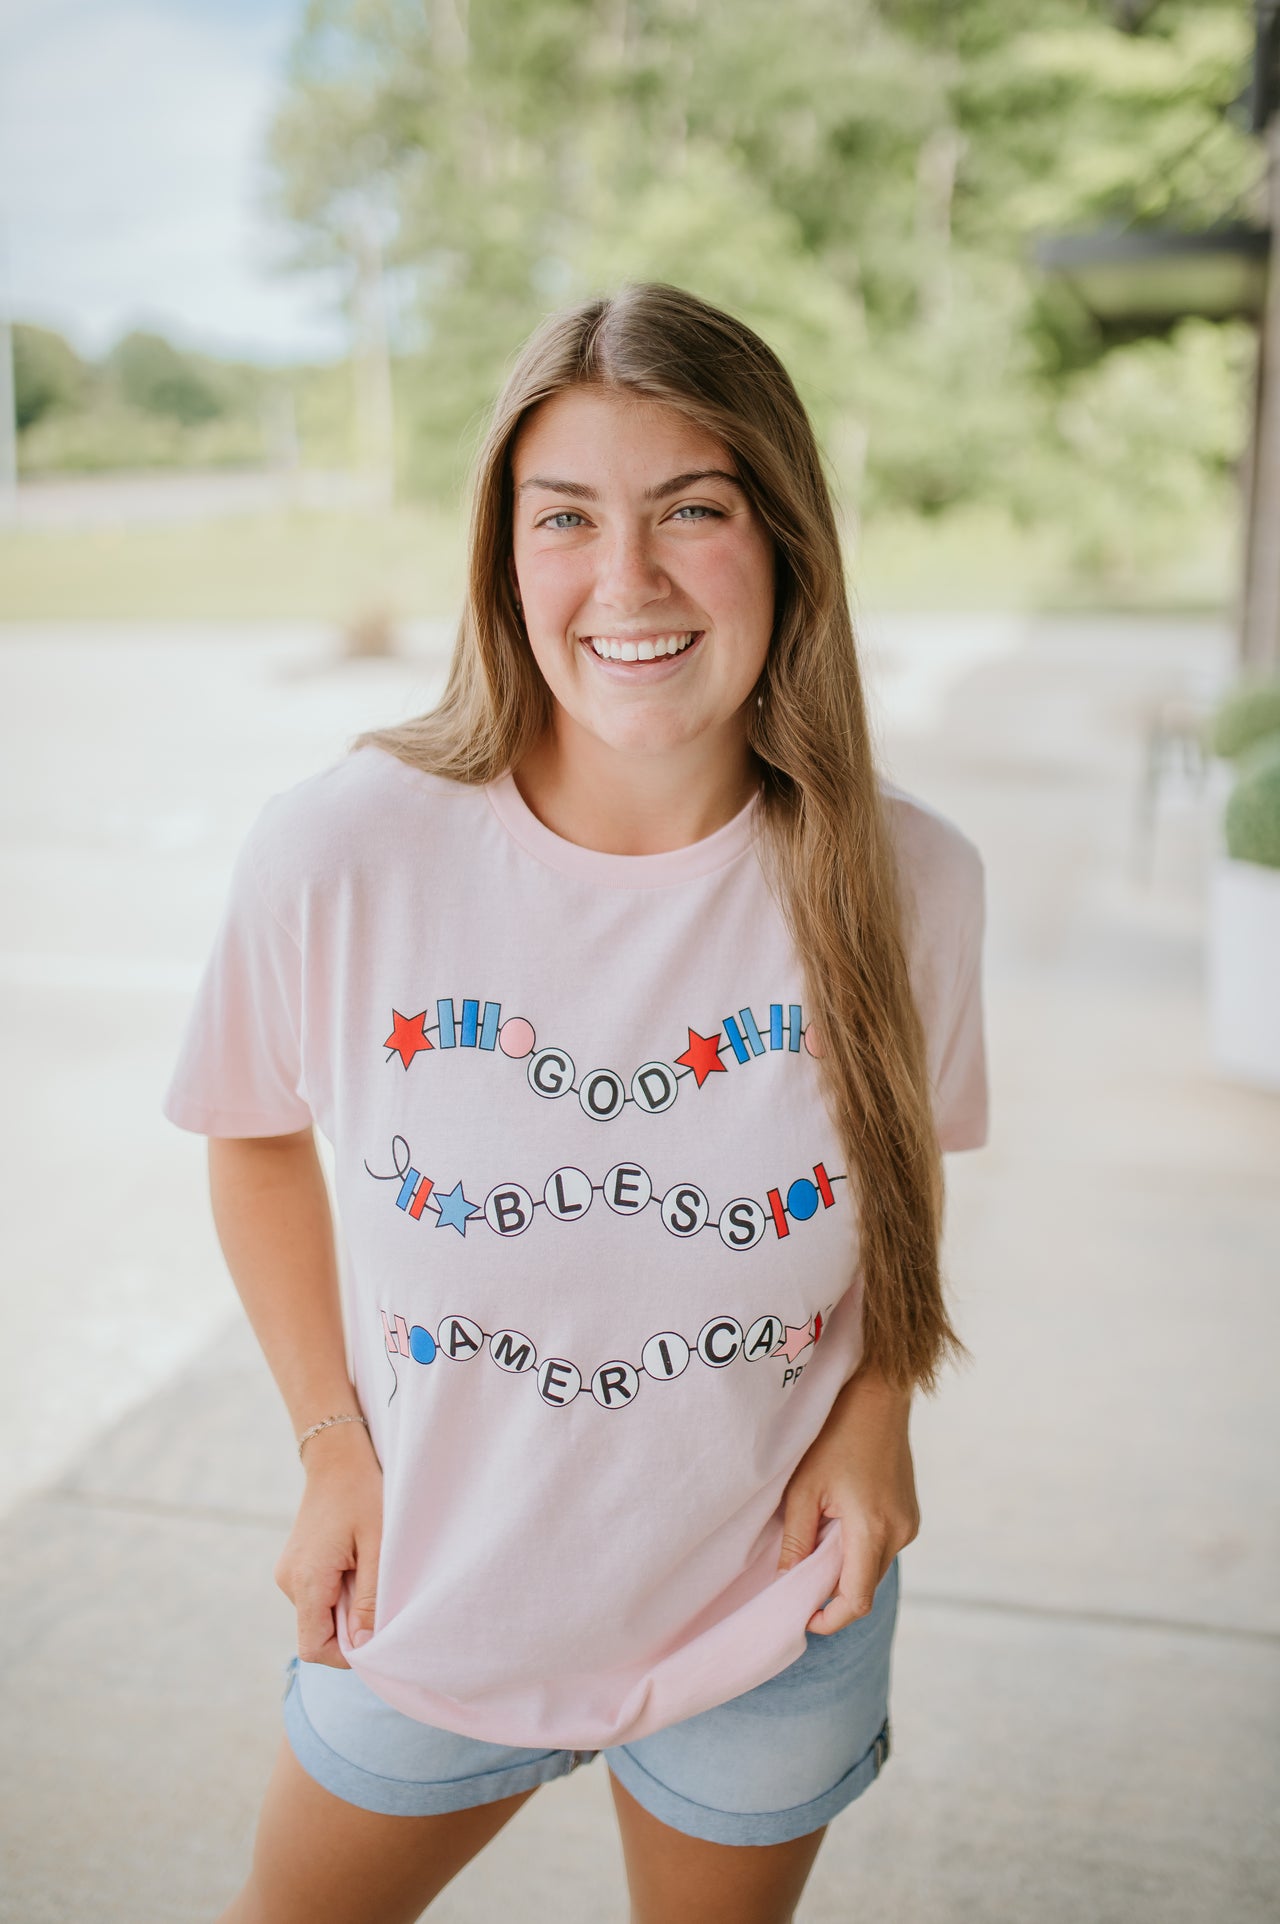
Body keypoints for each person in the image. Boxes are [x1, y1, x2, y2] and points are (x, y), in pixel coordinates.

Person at [163, 281, 988, 1924]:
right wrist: (334, 1448)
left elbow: (901, 1178)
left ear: (788, 541)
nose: (630, 581)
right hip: (434, 1601)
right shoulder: (346, 848)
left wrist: (883, 1402)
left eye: (695, 508)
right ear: (504, 557)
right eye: (568, 518)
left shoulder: (911, 878)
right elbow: (250, 1130)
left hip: (774, 1619)